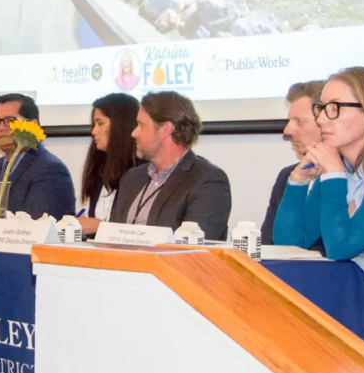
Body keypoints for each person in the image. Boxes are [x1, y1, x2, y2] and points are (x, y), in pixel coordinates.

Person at [274, 67, 364, 339]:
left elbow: (341, 247)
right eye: (321, 108)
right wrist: (297, 182)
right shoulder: (339, 170)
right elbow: (288, 244)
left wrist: (333, 176)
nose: (321, 120)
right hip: (355, 304)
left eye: (335, 108)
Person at [109, 91, 231, 240]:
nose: (134, 133)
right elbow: (110, 237)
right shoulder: (132, 178)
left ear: (166, 129)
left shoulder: (208, 181)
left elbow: (195, 248)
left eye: (141, 125)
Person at [0, 94, 75, 223]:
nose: (1, 128)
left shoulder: (51, 170)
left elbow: (36, 226)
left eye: (10, 121)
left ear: (32, 125)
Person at [261, 81, 325, 248]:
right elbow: (269, 245)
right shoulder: (288, 175)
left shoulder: (355, 176)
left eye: (299, 121)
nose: (287, 131)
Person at [78, 93, 144, 236]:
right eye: (94, 124)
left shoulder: (144, 172)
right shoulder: (99, 168)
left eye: (100, 123)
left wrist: (100, 226)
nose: (94, 131)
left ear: (120, 125)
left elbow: (142, 231)